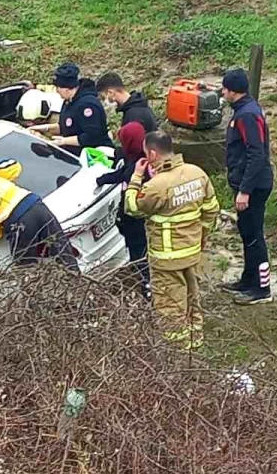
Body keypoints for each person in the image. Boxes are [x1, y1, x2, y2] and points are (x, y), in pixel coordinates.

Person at [126, 130, 220, 350]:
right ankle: (195, 340)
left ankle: (175, 350)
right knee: (191, 297)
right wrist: (202, 236)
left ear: (151, 155)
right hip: (192, 250)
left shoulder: (157, 186)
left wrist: (137, 177)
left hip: (166, 258)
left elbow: (132, 207)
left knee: (170, 305)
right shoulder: (197, 173)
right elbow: (211, 210)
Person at [219, 68, 275, 306]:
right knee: (246, 232)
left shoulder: (246, 116)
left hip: (253, 186)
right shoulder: (246, 110)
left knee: (254, 236)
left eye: (224, 88)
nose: (221, 92)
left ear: (233, 91)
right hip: (248, 183)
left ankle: (262, 288)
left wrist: (245, 190)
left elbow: (256, 154)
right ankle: (248, 278)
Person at [95, 121, 151, 296]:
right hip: (142, 216)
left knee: (138, 249)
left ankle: (147, 283)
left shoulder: (138, 168)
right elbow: (121, 173)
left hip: (136, 217)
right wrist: (104, 179)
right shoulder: (142, 158)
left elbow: (126, 178)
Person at [46, 62, 110, 154]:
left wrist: (64, 141)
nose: (57, 91)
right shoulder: (69, 101)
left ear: (66, 89)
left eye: (58, 88)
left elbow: (92, 136)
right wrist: (44, 128)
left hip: (93, 155)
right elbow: (65, 126)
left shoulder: (88, 105)